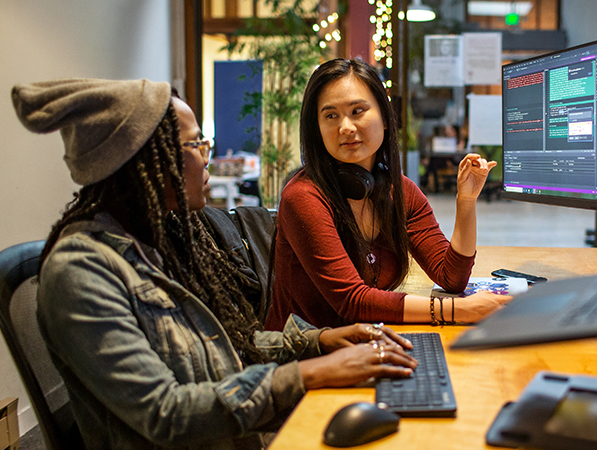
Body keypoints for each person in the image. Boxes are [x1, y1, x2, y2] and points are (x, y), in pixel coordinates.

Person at [11, 78, 416, 450]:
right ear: (146, 162)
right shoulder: (81, 273)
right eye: (196, 146)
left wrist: (319, 342)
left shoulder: (164, 237)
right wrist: (311, 374)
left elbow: (224, 349)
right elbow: (165, 413)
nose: (209, 158)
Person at [265, 59, 511, 331]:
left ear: (384, 118)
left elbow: (451, 277)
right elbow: (352, 301)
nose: (345, 127)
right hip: (304, 360)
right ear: (318, 129)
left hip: (364, 346)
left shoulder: (400, 192)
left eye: (357, 111)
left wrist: (466, 201)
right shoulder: (303, 197)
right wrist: (458, 310)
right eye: (331, 115)